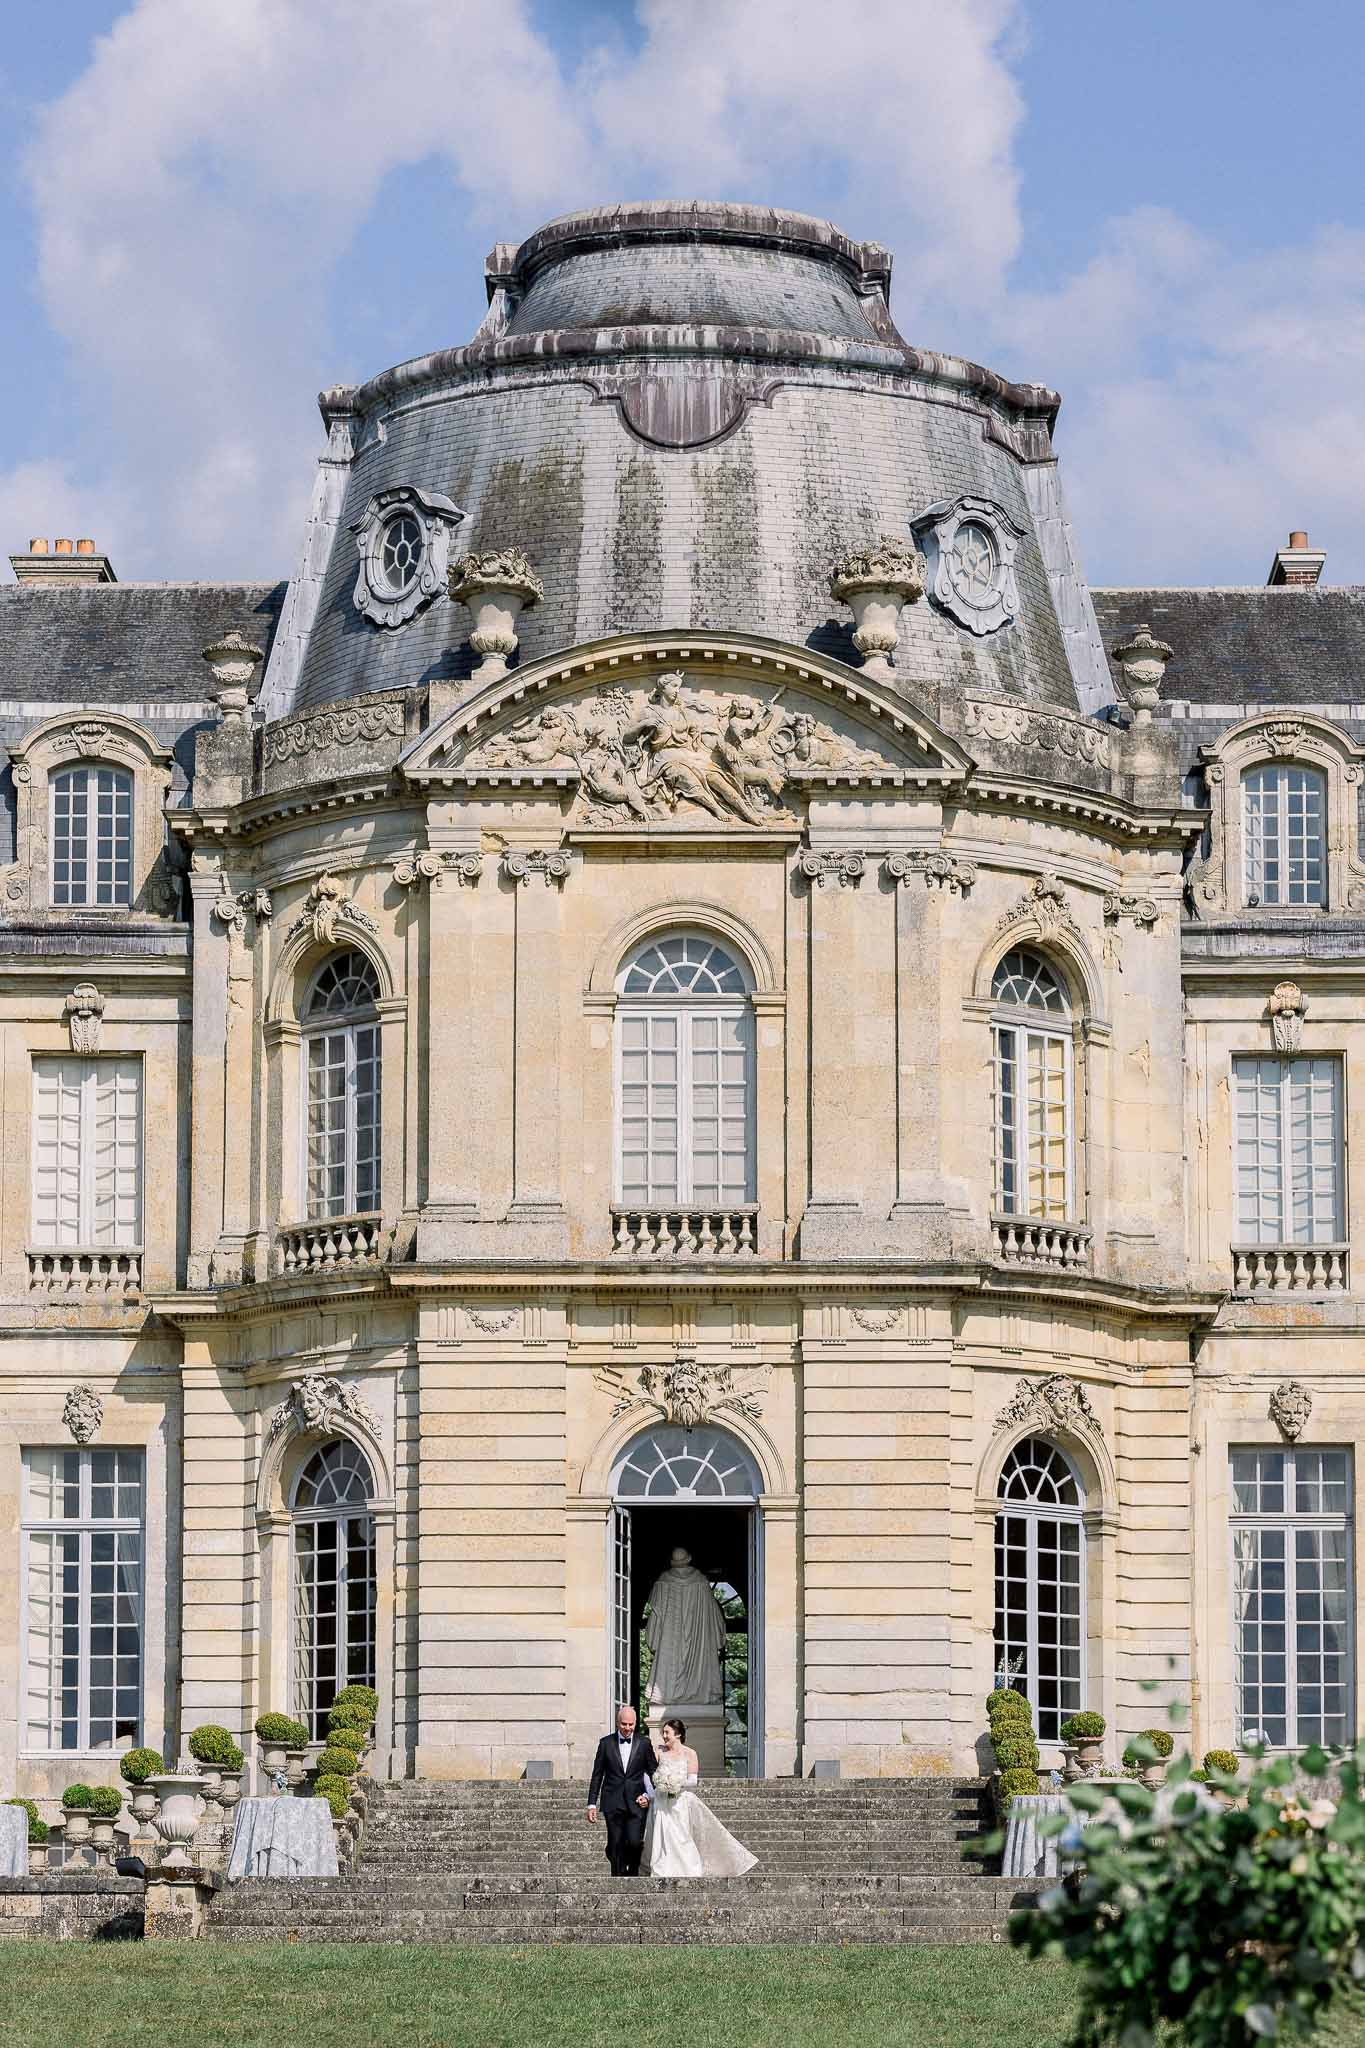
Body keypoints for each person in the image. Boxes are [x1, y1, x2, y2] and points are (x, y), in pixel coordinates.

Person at [641, 1715, 757, 1879]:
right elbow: (649, 1774)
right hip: (661, 1801)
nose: (664, 1736)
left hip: (679, 1801)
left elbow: (692, 1781)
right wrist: (658, 1787)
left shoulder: (690, 1753)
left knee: (681, 1836)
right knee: (663, 1835)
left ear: (678, 1734)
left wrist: (674, 1783)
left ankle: (687, 1868)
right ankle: (662, 1868)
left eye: (667, 1732)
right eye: (663, 1732)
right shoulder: (659, 1751)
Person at [586, 1702, 657, 1877]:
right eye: (624, 1724)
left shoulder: (644, 1743)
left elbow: (654, 1773)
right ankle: (617, 1879)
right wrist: (591, 1804)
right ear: (618, 1723)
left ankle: (632, 1875)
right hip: (612, 1801)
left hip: (637, 1802)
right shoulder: (605, 1743)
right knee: (616, 1843)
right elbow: (597, 1775)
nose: (627, 1728)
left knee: (634, 1842)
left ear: (635, 1723)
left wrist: (650, 1796)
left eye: (631, 1724)